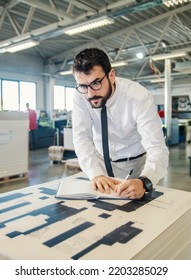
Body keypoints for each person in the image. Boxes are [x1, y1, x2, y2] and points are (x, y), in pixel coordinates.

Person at [71, 48, 169, 200]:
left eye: (96, 83)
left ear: (111, 75)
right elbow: (81, 137)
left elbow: (157, 148)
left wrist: (144, 182)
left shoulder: (139, 97)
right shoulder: (81, 95)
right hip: (100, 164)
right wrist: (95, 173)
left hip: (135, 167)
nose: (90, 94)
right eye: (83, 86)